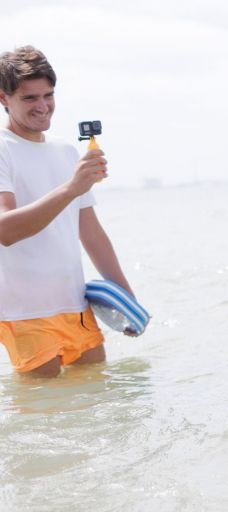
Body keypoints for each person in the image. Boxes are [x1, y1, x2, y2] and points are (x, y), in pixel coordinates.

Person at [0, 45, 135, 378]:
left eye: (48, 94)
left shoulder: (65, 151)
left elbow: (91, 233)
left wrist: (127, 299)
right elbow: (5, 230)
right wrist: (71, 187)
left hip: (75, 304)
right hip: (24, 311)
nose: (43, 106)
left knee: (94, 404)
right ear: (4, 98)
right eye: (29, 98)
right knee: (45, 414)